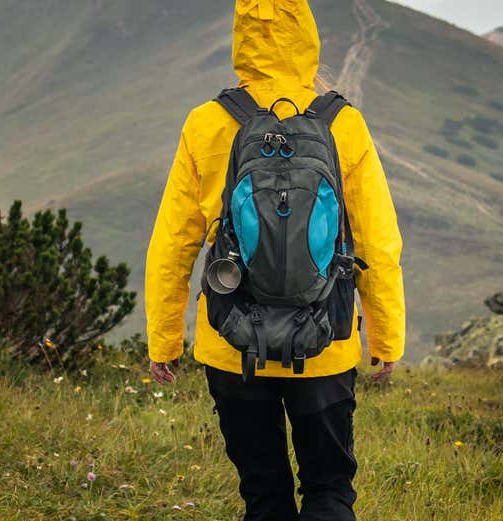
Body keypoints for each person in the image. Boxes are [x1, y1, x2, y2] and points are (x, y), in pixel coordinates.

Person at [145, 1, 405, 519]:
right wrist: (387, 336)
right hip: (324, 341)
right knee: (329, 491)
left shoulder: (207, 122)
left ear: (241, 38)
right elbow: (377, 241)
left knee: (264, 496)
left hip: (232, 342)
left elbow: (174, 241)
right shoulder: (343, 123)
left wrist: (164, 339)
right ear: (307, 37)